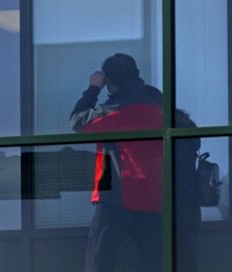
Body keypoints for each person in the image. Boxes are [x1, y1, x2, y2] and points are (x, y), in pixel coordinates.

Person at [69, 53, 163, 272]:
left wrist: (93, 88)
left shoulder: (117, 109)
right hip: (155, 197)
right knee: (155, 261)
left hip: (118, 196)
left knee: (99, 261)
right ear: (137, 75)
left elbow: (78, 122)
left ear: (109, 81)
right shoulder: (156, 107)